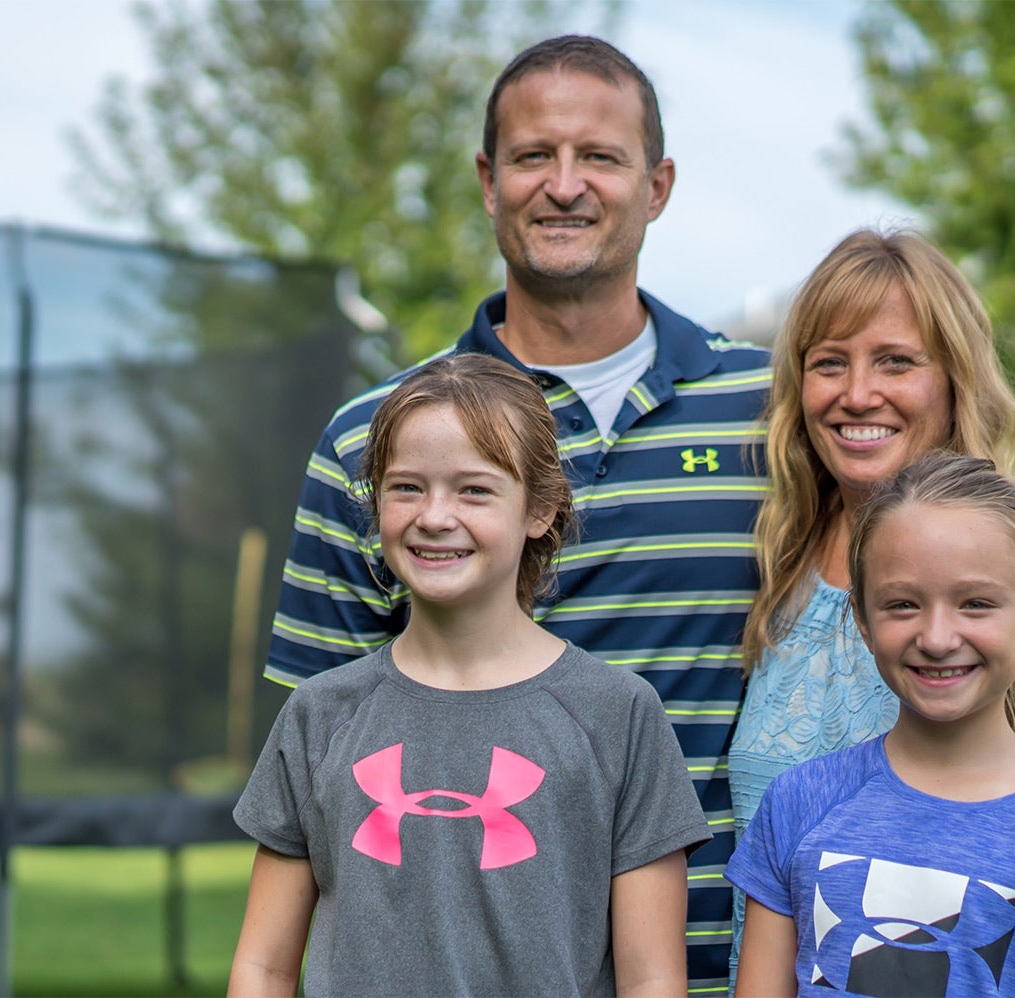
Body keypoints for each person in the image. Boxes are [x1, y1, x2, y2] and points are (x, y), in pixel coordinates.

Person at [265, 35, 772, 991]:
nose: (565, 185)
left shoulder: (773, 417)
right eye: (535, 156)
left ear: (657, 186)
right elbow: (313, 765)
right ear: (489, 180)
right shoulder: (369, 440)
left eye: (602, 158)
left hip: (737, 966)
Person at [725, 229, 1015, 979]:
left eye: (896, 360)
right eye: (829, 363)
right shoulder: (780, 563)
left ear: (955, 379)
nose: (858, 393)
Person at [229, 354, 709, 996]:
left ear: (539, 509)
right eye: (406, 487)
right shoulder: (321, 714)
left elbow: (652, 980)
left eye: (473, 489)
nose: (434, 516)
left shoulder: (618, 714)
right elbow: (262, 967)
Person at [726, 453, 1015, 996]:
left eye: (975, 604)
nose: (936, 638)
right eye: (903, 604)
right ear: (861, 618)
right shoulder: (797, 801)